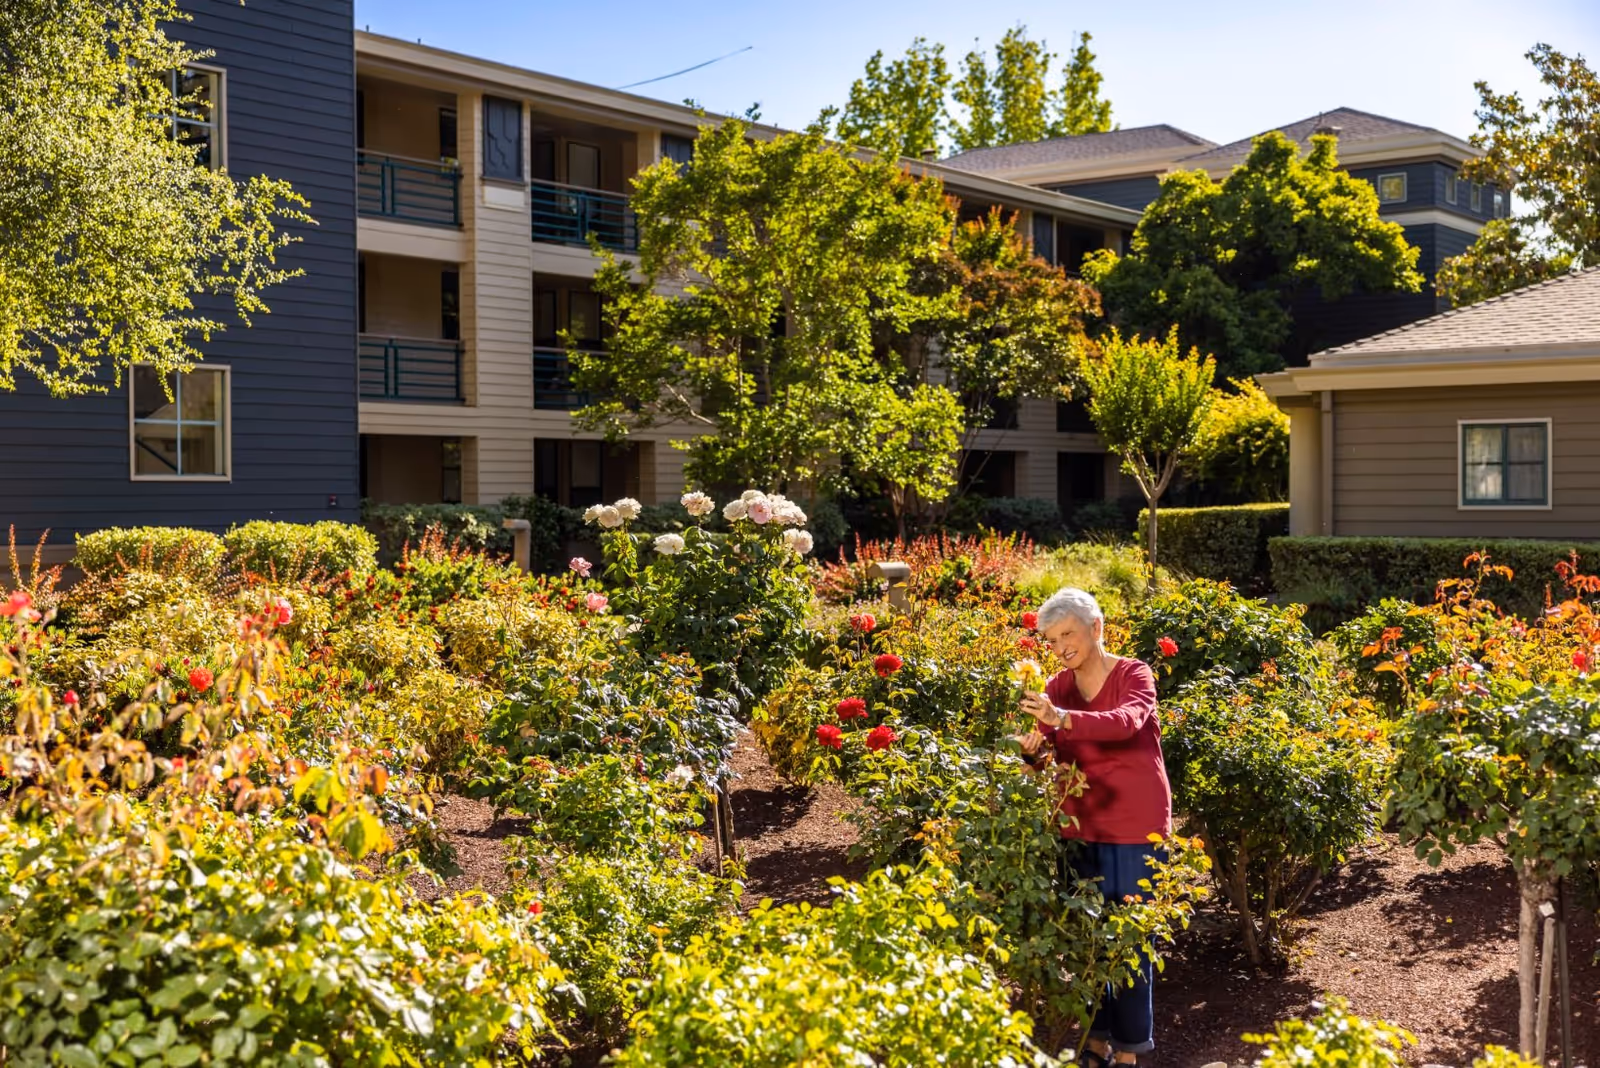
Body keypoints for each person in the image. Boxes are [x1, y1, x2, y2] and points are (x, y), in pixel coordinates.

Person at [1018, 586, 1172, 1068]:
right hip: (1079, 825)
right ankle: (1097, 1038)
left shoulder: (1133, 674)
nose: (1061, 645)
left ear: (1096, 629)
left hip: (1134, 824)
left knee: (1127, 939)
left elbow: (1126, 722)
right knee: (1086, 939)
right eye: (1051, 638)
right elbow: (1041, 757)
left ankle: (1128, 1050)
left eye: (1068, 633)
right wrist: (1030, 752)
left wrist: (1061, 719)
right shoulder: (1057, 687)